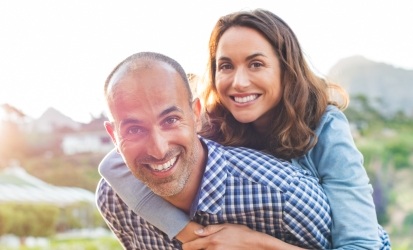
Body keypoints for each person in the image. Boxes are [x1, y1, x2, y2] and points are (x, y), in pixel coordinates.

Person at [99, 9, 391, 249]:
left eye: (255, 64)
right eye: (225, 66)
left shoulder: (324, 126)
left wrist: (256, 243)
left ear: (285, 68)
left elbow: (361, 243)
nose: (238, 82)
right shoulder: (210, 119)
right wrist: (186, 231)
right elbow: (114, 164)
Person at [96, 51, 333, 249]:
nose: (158, 150)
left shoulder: (285, 196)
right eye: (134, 129)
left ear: (196, 114)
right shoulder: (114, 199)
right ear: (113, 136)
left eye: (170, 120)